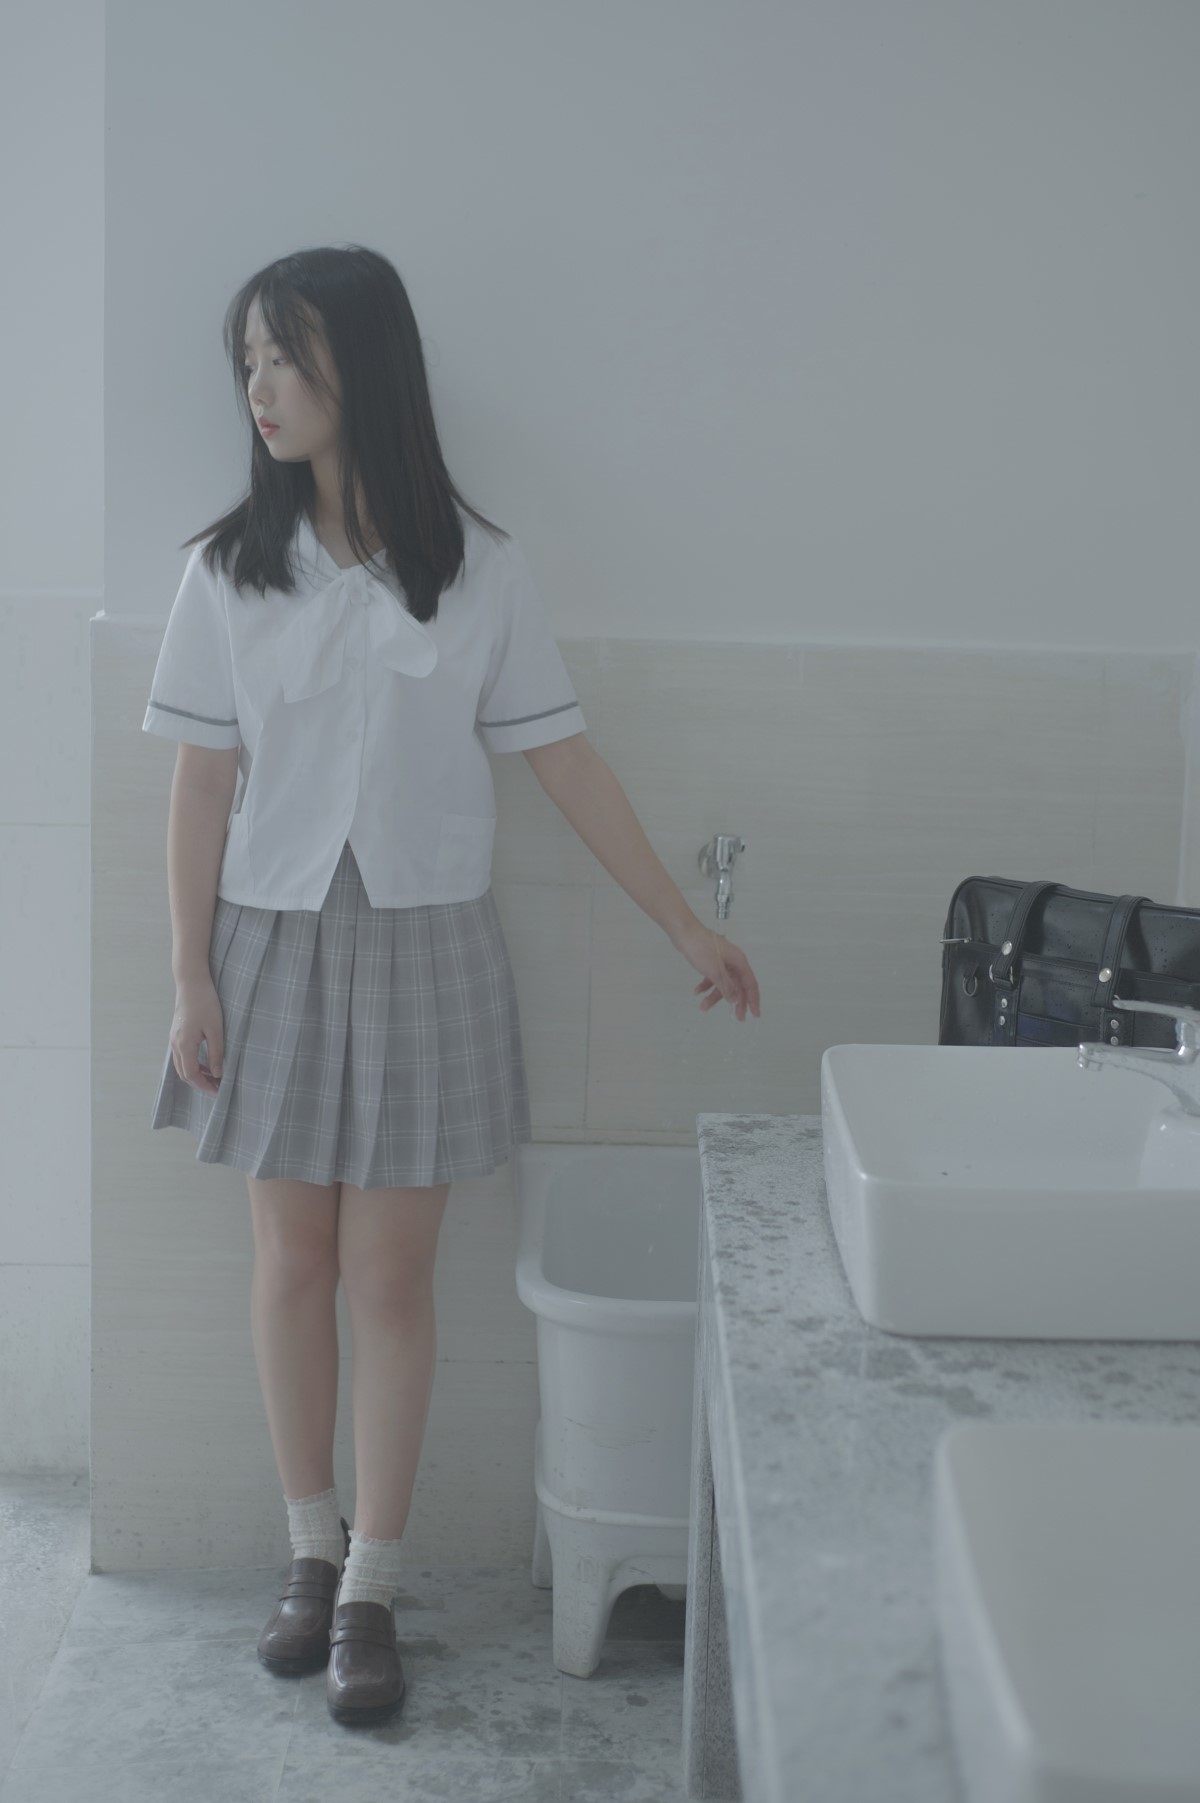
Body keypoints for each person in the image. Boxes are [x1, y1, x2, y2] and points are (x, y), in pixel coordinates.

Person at [142, 244, 761, 1728]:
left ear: (365, 368)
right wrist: (188, 976)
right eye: (248, 361)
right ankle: (307, 1553)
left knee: (390, 1279)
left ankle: (373, 1584)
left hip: (428, 946)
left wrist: (685, 925)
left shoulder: (482, 569)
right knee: (289, 1266)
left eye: (286, 356)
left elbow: (565, 760)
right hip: (270, 940)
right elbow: (200, 786)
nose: (260, 388)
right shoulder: (226, 569)